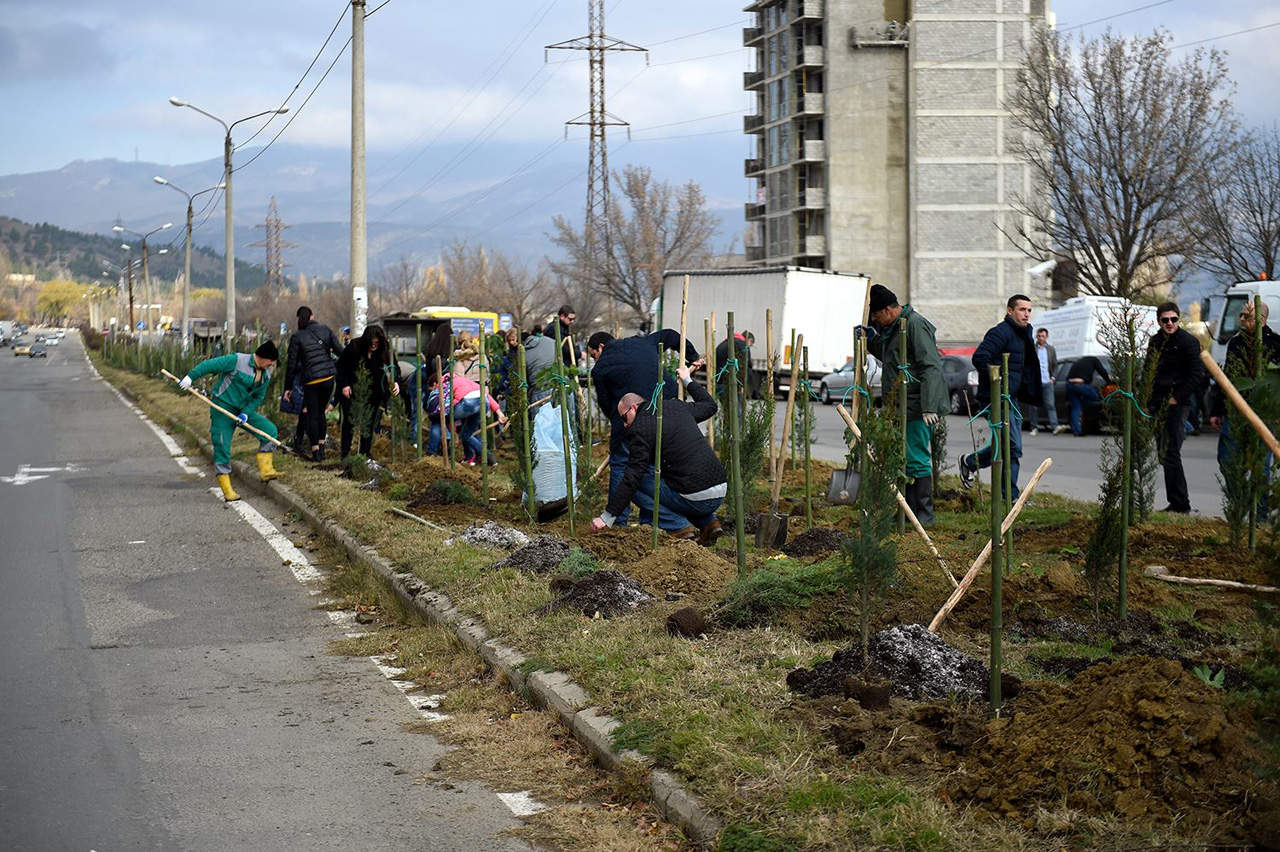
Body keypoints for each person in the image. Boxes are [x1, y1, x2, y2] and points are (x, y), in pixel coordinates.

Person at [591, 363, 727, 542]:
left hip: (696, 498)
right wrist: (687, 380)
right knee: (673, 482)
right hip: (720, 490)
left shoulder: (640, 429)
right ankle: (709, 523)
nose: (624, 424)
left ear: (634, 407)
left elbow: (632, 477)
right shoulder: (676, 407)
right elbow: (710, 406)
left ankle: (677, 525)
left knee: (636, 483)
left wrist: (607, 517)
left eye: (624, 417)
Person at [587, 329, 702, 527]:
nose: (594, 360)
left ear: (601, 347)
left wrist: (622, 425)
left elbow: (606, 405)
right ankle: (651, 522)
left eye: (593, 355)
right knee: (655, 466)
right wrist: (693, 357)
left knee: (622, 466)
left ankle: (618, 521)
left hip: (631, 418)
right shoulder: (644, 342)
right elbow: (672, 335)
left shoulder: (599, 369)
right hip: (665, 410)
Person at [862, 284, 949, 526]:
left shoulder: (914, 325)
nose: (875, 321)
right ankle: (908, 511)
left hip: (917, 405)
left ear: (888, 310)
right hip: (901, 405)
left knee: (916, 457)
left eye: (876, 316)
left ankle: (923, 514)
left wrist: (929, 406)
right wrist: (869, 340)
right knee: (904, 458)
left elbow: (930, 365)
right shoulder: (895, 327)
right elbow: (891, 356)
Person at [959, 294, 1042, 498]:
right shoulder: (1000, 332)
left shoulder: (1024, 334)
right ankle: (1010, 496)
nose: (1026, 314)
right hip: (997, 398)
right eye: (1022, 309)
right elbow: (980, 357)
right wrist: (998, 382)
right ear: (1010, 311)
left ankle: (970, 462)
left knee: (1007, 445)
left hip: (1011, 398)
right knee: (1012, 446)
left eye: (1029, 310)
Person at [178, 341, 282, 503]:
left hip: (243, 412)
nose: (272, 365)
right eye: (271, 362)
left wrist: (246, 413)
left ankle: (266, 470)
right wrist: (190, 377)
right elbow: (209, 365)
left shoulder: (266, 373)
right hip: (223, 409)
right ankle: (227, 490)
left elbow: (258, 397)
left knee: (269, 432)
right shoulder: (236, 360)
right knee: (222, 446)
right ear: (263, 358)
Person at [1209, 299, 1280, 511]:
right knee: (1227, 460)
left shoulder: (1276, 344)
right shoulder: (1236, 343)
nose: (1241, 319)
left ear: (1261, 320)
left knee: (1261, 467)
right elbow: (1227, 379)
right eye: (1241, 315)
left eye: (1247, 316)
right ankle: (1239, 506)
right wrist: (1217, 410)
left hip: (1264, 414)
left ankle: (1260, 515)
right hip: (1236, 412)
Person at [1144, 302, 1205, 514]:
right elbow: (1148, 372)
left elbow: (1197, 374)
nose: (1170, 323)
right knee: (1163, 453)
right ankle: (1176, 503)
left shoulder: (1189, 342)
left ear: (1179, 319)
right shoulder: (1155, 342)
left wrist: (1177, 398)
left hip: (1178, 403)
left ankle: (1180, 504)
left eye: (1173, 319)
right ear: (1159, 321)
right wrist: (1147, 403)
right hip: (1157, 403)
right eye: (1165, 320)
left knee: (1171, 452)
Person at [283, 306, 343, 461]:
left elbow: (291, 364)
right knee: (321, 412)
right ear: (312, 316)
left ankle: (315, 450)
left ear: (299, 319)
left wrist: (288, 387)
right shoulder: (325, 330)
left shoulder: (297, 337)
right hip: (328, 379)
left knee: (313, 414)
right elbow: (340, 351)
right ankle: (322, 448)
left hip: (311, 380)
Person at [335, 324, 400, 459]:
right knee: (349, 423)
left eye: (376, 343)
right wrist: (345, 385)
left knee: (369, 423)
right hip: (352, 390)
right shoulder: (354, 347)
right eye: (371, 343)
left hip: (374, 392)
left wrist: (396, 381)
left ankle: (364, 454)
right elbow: (341, 366)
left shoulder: (385, 349)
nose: (373, 346)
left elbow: (394, 367)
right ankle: (345, 454)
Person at [424, 371, 508, 463]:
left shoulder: (444, 384)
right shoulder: (464, 380)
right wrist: (500, 413)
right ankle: (487, 455)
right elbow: (487, 396)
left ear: (435, 384)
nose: (433, 391)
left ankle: (431, 453)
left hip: (468, 403)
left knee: (437, 419)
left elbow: (447, 408)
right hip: (484, 402)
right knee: (466, 435)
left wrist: (452, 431)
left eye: (432, 389)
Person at [1028, 327, 1068, 435]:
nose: (1041, 338)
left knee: (1050, 405)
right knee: (1034, 406)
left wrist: (1053, 377)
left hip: (1047, 382)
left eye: (1043, 336)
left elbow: (1055, 365)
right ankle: (1034, 427)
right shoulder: (1032, 349)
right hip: (1035, 382)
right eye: (1039, 336)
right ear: (1036, 337)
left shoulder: (1050, 349)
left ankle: (1055, 427)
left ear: (1046, 337)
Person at [1064, 355, 1111, 436]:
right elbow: (1102, 371)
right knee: (1096, 397)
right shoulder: (1094, 360)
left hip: (1069, 385)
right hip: (1080, 385)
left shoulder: (1079, 361)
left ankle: (1077, 431)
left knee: (1076, 408)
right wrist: (1109, 382)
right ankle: (1091, 414)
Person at [715, 330, 755, 398]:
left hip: (719, 380)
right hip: (731, 383)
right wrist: (743, 385)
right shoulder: (743, 345)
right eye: (751, 345)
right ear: (749, 340)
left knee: (725, 403)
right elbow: (747, 366)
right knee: (736, 404)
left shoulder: (725, 343)